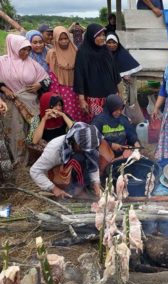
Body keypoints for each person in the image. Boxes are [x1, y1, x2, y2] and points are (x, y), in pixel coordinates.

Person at [0, 34, 50, 163]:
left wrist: (39, 85)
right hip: (11, 103)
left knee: (32, 128)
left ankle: (33, 158)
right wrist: (4, 89)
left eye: (28, 49)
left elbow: (47, 79)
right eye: (23, 49)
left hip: (31, 103)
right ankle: (19, 160)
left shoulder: (32, 63)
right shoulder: (3, 62)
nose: (26, 52)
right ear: (14, 48)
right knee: (16, 131)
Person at [30, 122, 101, 199]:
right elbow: (34, 171)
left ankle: (81, 188)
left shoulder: (86, 146)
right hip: (58, 175)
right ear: (75, 141)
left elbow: (93, 164)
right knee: (78, 158)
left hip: (72, 173)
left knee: (84, 157)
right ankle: (73, 190)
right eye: (82, 148)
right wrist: (54, 188)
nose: (86, 151)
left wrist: (96, 183)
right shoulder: (54, 149)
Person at [73, 24, 121, 123]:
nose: (102, 38)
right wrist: (82, 99)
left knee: (113, 121)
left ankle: (112, 139)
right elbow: (79, 75)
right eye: (98, 35)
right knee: (98, 122)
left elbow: (113, 70)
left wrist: (117, 92)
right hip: (94, 97)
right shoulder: (83, 52)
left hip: (110, 95)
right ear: (91, 36)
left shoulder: (106, 50)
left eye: (103, 35)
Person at [47, 26, 85, 122]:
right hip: (62, 89)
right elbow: (51, 73)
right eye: (60, 39)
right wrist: (56, 92)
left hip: (76, 88)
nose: (64, 41)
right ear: (55, 39)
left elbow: (81, 70)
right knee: (67, 113)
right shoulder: (52, 53)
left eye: (66, 38)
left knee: (79, 112)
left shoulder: (75, 50)